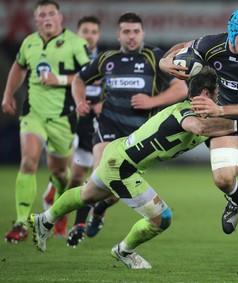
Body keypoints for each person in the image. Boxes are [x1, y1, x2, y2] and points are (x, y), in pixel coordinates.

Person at [28, 67, 238, 270]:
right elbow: (198, 128)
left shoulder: (204, 122)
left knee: (85, 195)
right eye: (217, 95)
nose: (219, 100)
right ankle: (124, 251)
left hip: (117, 154)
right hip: (122, 167)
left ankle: (44, 220)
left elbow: (223, 158)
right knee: (162, 218)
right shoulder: (186, 113)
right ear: (205, 94)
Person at [159, 9, 238, 274]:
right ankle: (236, 196)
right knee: (223, 178)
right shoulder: (210, 44)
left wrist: (219, 112)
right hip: (228, 113)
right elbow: (183, 47)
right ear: (232, 34)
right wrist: (164, 63)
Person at [66, 12, 188, 247]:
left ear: (143, 34)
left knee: (111, 192)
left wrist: (153, 101)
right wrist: (80, 101)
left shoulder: (154, 57)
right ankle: (78, 225)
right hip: (108, 125)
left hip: (138, 136)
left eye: (135, 32)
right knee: (99, 175)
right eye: (126, 32)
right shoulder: (107, 59)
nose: (131, 37)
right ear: (118, 35)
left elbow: (181, 90)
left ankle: (99, 210)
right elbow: (79, 80)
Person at [2, 0, 91, 243]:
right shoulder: (29, 42)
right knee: (29, 161)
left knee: (61, 172)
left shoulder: (75, 43)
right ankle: (20, 222)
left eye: (51, 13)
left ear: (60, 18)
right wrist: (8, 95)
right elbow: (19, 68)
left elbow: (89, 74)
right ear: (36, 20)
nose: (47, 17)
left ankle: (58, 211)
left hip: (63, 117)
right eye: (42, 14)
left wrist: (59, 78)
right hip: (34, 114)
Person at [41, 15, 103, 237]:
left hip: (91, 128)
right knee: (69, 172)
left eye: (94, 31)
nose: (89, 35)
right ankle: (58, 218)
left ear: (99, 36)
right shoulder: (67, 58)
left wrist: (102, 104)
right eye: (85, 31)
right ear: (77, 34)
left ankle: (54, 195)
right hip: (68, 120)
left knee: (77, 179)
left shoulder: (104, 61)